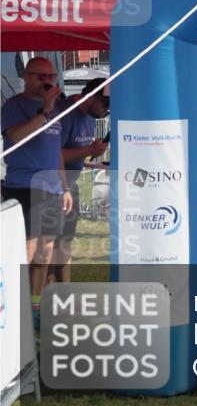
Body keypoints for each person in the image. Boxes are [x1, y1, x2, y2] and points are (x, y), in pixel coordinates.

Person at [0, 57, 71, 321]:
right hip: (25, 186)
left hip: (52, 188)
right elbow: (15, 137)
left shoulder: (57, 110)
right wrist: (43, 111)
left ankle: (34, 306)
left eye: (51, 77)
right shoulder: (14, 106)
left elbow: (57, 152)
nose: (47, 81)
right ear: (27, 77)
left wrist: (64, 187)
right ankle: (16, 308)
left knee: (46, 250)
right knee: (28, 249)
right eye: (41, 77)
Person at [54, 78, 110, 282]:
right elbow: (53, 154)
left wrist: (96, 163)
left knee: (65, 243)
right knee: (50, 245)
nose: (107, 111)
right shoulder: (65, 113)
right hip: (54, 186)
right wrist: (89, 150)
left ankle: (63, 292)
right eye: (106, 104)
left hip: (70, 184)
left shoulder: (89, 117)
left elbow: (76, 156)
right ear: (93, 96)